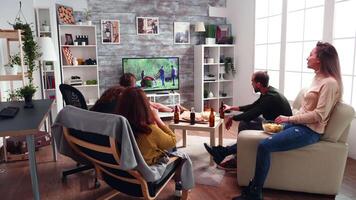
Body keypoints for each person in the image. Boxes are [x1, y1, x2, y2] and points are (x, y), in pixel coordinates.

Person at [233, 42, 343, 200]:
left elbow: (319, 115)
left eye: (311, 54)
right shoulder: (318, 78)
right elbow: (308, 109)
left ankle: (255, 193)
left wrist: (289, 118)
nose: (307, 57)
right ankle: (224, 152)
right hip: (298, 125)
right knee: (262, 133)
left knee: (264, 146)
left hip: (309, 131)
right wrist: (292, 120)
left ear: (320, 59)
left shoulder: (330, 83)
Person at [204, 71, 292, 170]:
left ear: (258, 84)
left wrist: (233, 118)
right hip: (272, 123)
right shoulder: (267, 91)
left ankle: (224, 153)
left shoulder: (270, 97)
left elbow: (253, 113)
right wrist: (231, 108)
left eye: (252, 81)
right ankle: (235, 155)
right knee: (244, 123)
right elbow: (253, 106)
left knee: (246, 122)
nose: (251, 84)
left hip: (280, 128)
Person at [119, 73, 187, 113]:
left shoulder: (120, 94)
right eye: (134, 82)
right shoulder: (135, 95)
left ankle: (182, 111)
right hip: (141, 119)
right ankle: (182, 111)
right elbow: (156, 106)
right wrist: (172, 110)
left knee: (154, 105)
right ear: (132, 84)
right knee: (155, 106)